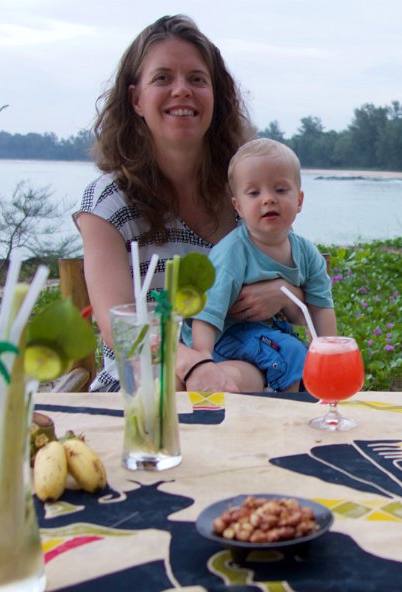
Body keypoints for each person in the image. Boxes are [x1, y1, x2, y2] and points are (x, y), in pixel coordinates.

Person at [73, 15, 306, 393]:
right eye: (163, 78)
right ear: (136, 99)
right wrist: (192, 364)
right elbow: (119, 329)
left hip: (246, 371)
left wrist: (281, 291)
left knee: (252, 375)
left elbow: (296, 290)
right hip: (142, 385)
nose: (182, 90)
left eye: (197, 79)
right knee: (187, 384)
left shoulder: (247, 191)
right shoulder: (108, 203)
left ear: (216, 95)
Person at [190, 139, 336, 392]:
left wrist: (329, 351)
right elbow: (206, 314)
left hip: (265, 332)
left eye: (280, 190)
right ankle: (290, 410)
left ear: (299, 200)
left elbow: (320, 308)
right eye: (254, 193)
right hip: (223, 336)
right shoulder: (233, 253)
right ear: (239, 206)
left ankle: (306, 397)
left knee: (300, 351)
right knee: (290, 352)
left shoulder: (307, 253)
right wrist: (202, 361)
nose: (268, 199)